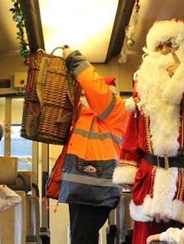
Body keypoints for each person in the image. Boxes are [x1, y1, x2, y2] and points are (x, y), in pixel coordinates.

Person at [112, 19, 184, 243]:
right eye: (159, 46)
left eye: (170, 44)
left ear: (183, 44)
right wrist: (128, 167)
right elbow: (133, 129)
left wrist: (183, 81)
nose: (164, 51)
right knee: (146, 239)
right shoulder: (144, 80)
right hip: (149, 178)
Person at [56, 47, 130, 244]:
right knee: (81, 239)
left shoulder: (116, 110)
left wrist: (75, 59)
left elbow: (93, 87)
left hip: (95, 189)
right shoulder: (85, 117)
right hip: (84, 189)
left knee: (82, 239)